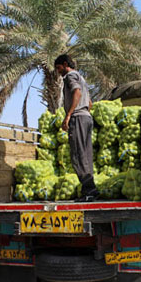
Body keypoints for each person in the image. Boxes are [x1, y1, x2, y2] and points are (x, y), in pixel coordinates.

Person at [54, 54, 99, 202]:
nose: (58, 72)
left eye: (59, 68)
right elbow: (89, 102)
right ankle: (91, 190)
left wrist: (68, 115)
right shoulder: (81, 77)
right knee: (85, 154)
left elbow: (77, 92)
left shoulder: (70, 77)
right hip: (86, 117)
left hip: (78, 118)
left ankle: (89, 191)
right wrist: (85, 112)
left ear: (65, 64)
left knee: (78, 155)